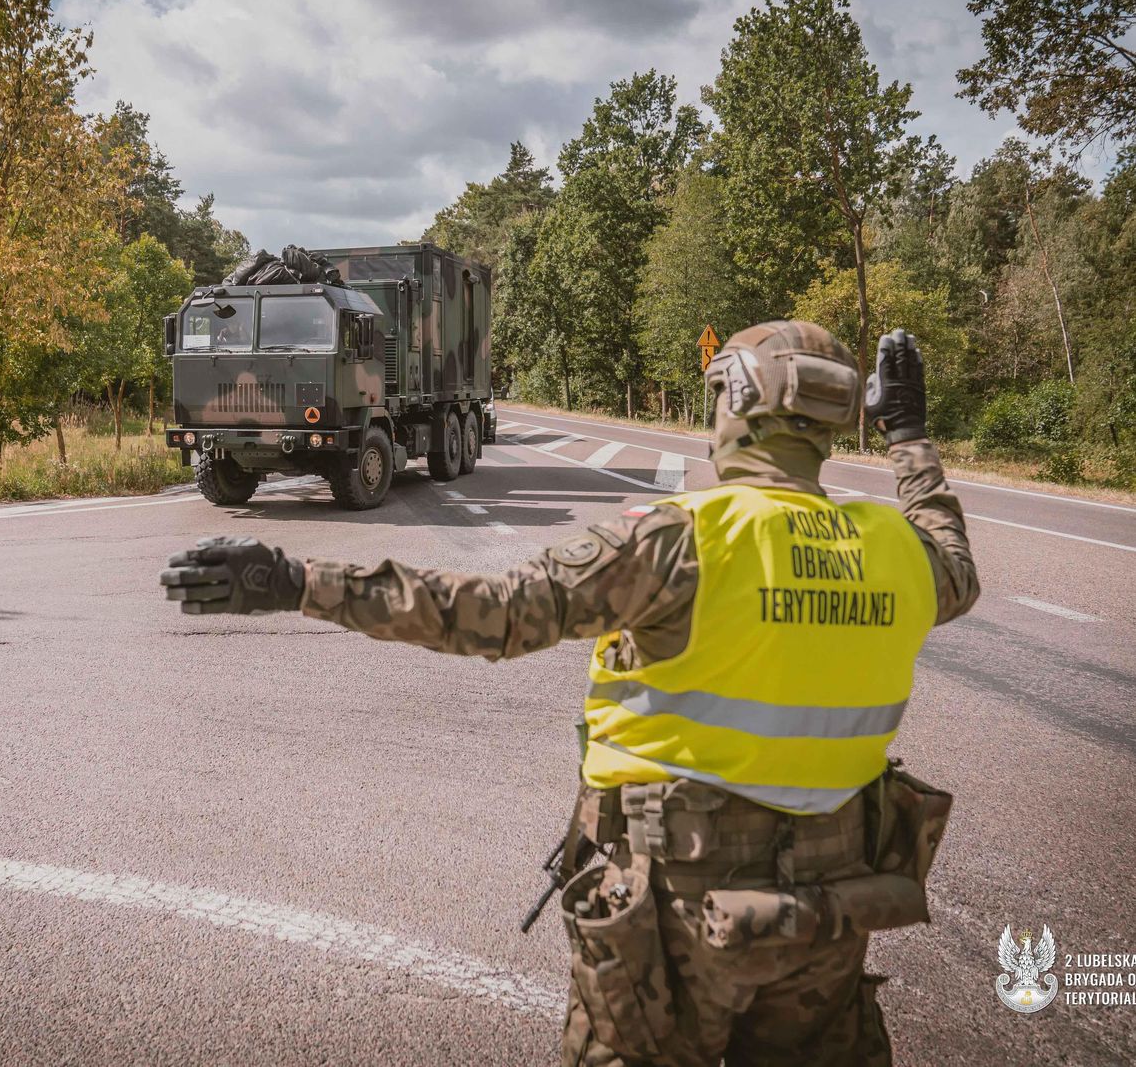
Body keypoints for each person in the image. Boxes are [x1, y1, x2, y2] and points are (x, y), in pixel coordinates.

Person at [160, 322, 978, 1067]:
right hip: (833, 908)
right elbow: (953, 554)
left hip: (679, 910)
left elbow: (492, 612)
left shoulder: (682, 540)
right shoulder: (898, 551)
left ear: (735, 403)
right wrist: (910, 436)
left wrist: (298, 579)